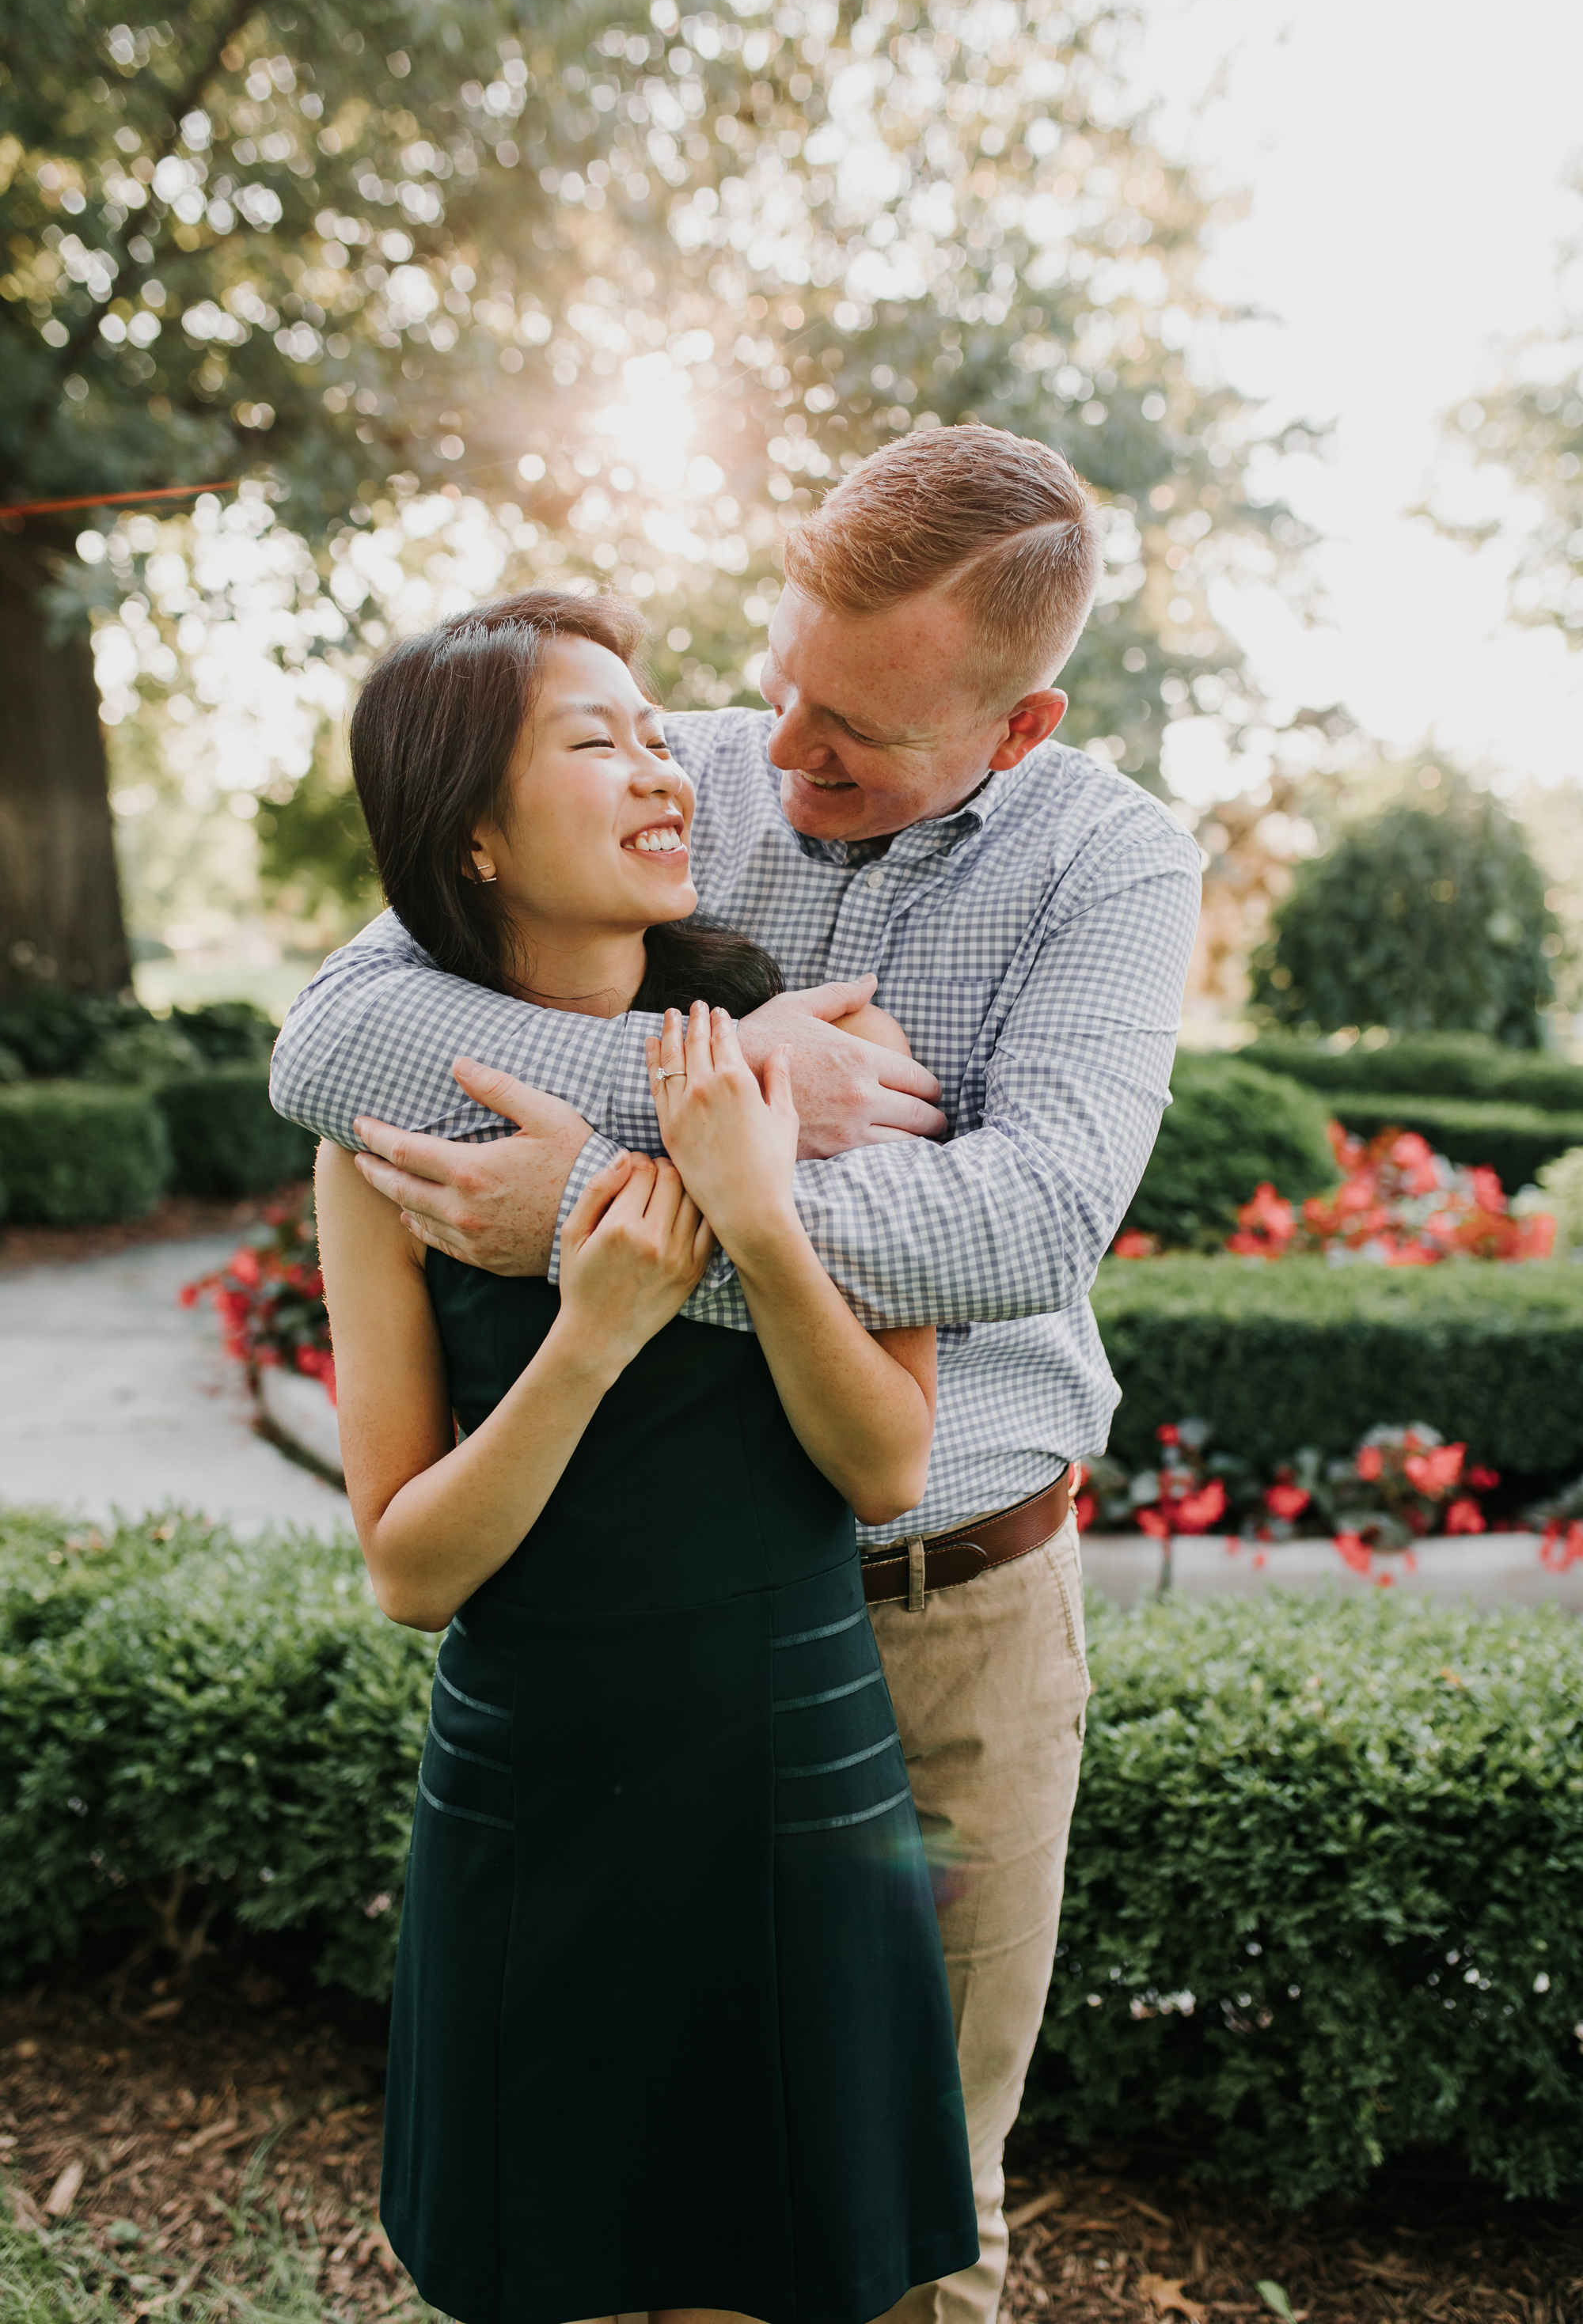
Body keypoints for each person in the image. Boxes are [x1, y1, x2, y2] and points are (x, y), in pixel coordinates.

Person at [272, 423, 1203, 2324]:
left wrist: (615, 1225)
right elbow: (332, 1038)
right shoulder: (656, 761)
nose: (765, 759)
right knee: (595, 2204)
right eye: (777, 686)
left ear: (1009, 733)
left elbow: (1016, 1227)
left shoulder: (1107, 868)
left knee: (902, 2220)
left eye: (847, 735)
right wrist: (706, 1115)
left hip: (934, 1630)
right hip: (615, 1664)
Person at [315, 588, 979, 2324]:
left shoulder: (827, 1074)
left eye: (659, 733)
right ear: (469, 827)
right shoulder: (380, 1137)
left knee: (779, 2281)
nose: (666, 770)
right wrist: (592, 1323)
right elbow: (407, 1569)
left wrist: (759, 1227)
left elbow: (884, 1465)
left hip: (791, 1776)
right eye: (593, 739)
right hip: (540, 1786)